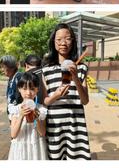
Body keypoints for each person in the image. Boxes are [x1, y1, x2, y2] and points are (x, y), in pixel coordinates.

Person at [42, 23, 90, 160]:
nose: (63, 43)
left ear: (73, 41)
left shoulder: (81, 68)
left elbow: (85, 101)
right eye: (59, 39)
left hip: (75, 125)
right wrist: (56, 95)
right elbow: (45, 101)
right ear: (53, 42)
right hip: (55, 127)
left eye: (68, 39)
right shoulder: (46, 69)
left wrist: (75, 77)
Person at [8, 72, 47, 160]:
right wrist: (21, 116)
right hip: (20, 148)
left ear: (37, 90)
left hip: (36, 148)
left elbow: (42, 133)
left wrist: (36, 118)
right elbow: (13, 134)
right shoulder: (16, 110)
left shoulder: (41, 110)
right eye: (24, 89)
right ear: (19, 89)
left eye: (32, 89)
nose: (28, 92)